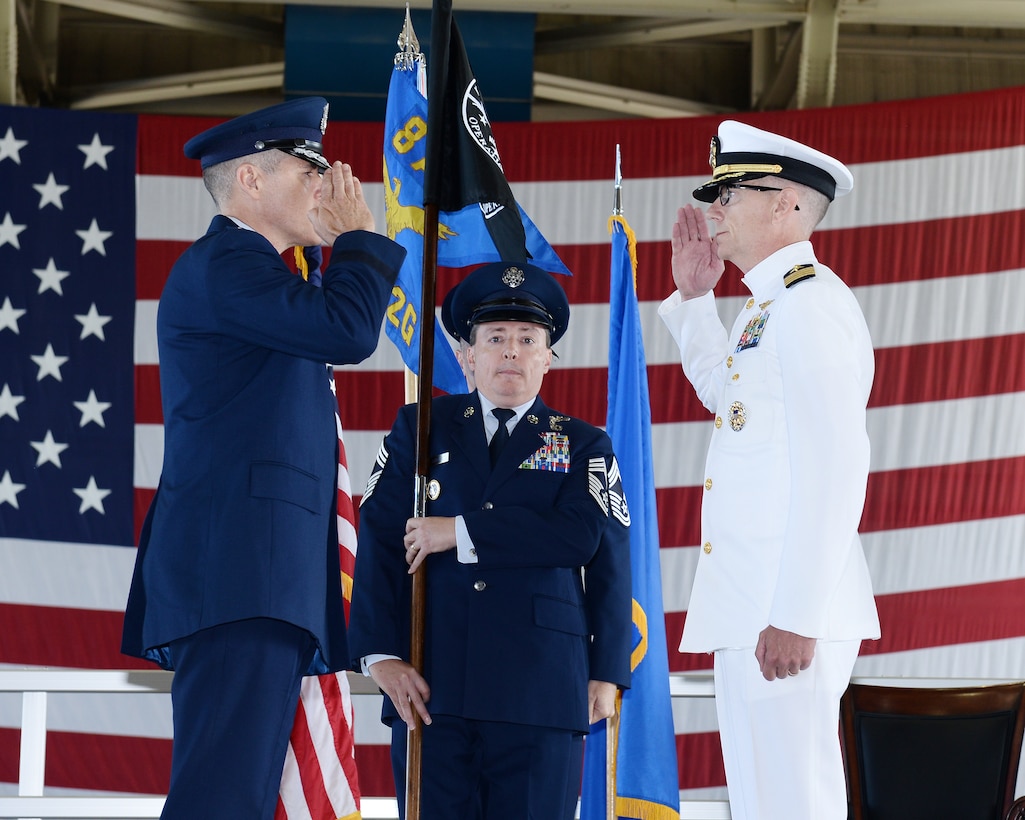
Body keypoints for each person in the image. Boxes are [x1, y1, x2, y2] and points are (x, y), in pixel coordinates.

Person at [120, 96, 406, 820]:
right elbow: (345, 329)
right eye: (309, 170)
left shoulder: (262, 272)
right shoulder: (226, 264)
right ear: (250, 180)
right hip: (238, 576)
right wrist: (359, 242)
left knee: (245, 794)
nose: (325, 188)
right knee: (223, 792)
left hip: (260, 577)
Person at [349, 261, 633, 819]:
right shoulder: (420, 428)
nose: (511, 352)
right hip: (431, 687)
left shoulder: (582, 443)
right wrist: (381, 655)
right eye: (495, 338)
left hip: (541, 689)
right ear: (465, 354)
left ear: (548, 358)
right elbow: (380, 539)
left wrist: (607, 670)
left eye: (528, 339)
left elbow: (591, 544)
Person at [658, 120, 880, 820]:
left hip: (783, 609)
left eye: (730, 194)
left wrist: (795, 613)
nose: (713, 209)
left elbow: (837, 467)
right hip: (754, 605)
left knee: (792, 802)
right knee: (761, 803)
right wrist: (696, 301)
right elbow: (729, 402)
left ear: (785, 204)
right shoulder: (769, 308)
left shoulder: (810, 305)